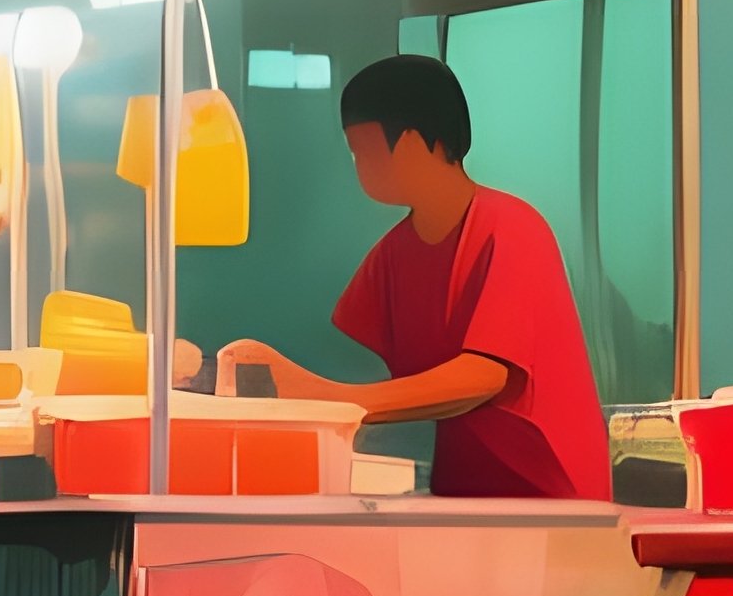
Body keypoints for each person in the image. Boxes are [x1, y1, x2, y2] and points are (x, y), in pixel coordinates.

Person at [223, 55, 610, 501]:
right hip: (463, 498)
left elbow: (483, 377)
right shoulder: (393, 255)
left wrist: (333, 400)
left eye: (361, 152)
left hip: (551, 501)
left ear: (407, 143)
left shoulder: (514, 228)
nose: (358, 167)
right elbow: (358, 364)